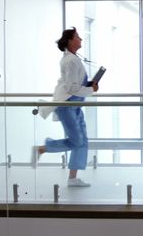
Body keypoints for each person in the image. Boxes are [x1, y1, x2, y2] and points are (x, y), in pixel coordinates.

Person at [33, 27, 98, 187]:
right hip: (67, 105)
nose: (81, 39)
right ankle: (41, 149)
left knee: (82, 141)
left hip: (75, 104)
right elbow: (70, 88)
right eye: (77, 36)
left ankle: (73, 178)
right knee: (77, 141)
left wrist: (89, 86)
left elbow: (76, 84)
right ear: (70, 40)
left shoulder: (74, 58)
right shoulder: (69, 61)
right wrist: (91, 89)